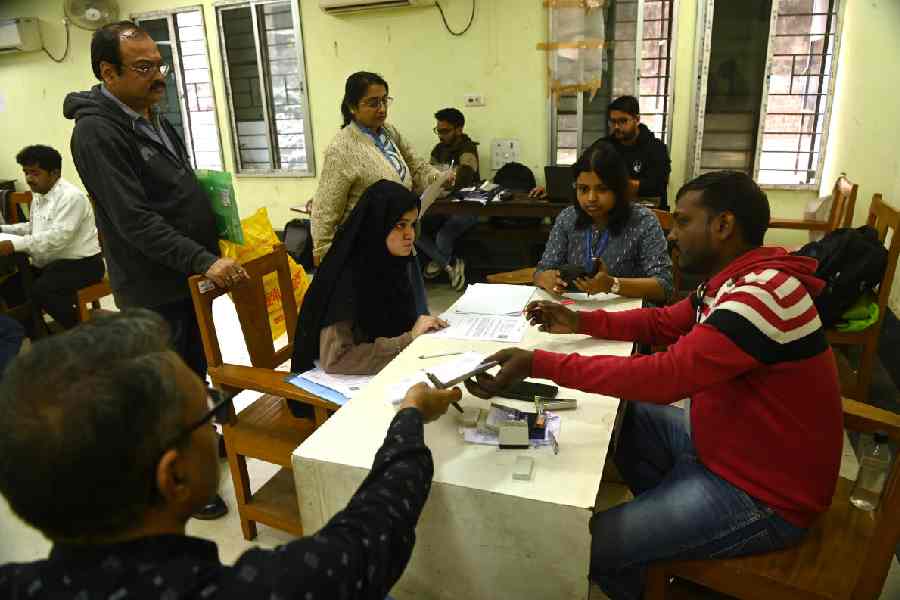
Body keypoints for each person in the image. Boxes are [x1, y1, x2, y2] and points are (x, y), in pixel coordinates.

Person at [466, 171, 843, 600]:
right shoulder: (734, 281)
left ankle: (656, 570)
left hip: (763, 495)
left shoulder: (762, 297)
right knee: (623, 419)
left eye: (683, 222)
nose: (673, 234)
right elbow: (664, 321)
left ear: (723, 225)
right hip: (723, 447)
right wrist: (582, 320)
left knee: (585, 544)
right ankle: (665, 544)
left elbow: (664, 377)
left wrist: (541, 362)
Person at [0, 310, 462, 599]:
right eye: (210, 410)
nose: (218, 419)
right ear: (175, 476)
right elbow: (375, 528)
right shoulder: (272, 588)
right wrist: (411, 414)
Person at [64, 21, 248, 519]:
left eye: (158, 64)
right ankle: (182, 482)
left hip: (184, 276)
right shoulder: (97, 132)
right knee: (166, 387)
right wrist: (204, 257)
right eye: (144, 67)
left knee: (192, 372)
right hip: (152, 285)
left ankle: (202, 449)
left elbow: (176, 188)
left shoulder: (151, 114)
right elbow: (134, 221)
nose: (158, 75)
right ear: (108, 71)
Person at [311, 71, 449, 315]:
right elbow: (325, 209)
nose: (382, 108)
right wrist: (324, 257)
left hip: (400, 242)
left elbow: (417, 167)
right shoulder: (342, 148)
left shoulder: (388, 134)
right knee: (382, 319)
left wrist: (439, 180)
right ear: (352, 107)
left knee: (410, 312)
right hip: (366, 252)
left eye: (385, 100)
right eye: (373, 102)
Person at [293, 180, 447, 375]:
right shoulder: (348, 276)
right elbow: (336, 359)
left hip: (382, 369)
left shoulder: (392, 263)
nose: (410, 234)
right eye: (400, 225)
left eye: (412, 224)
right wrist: (407, 340)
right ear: (377, 224)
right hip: (336, 390)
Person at [532, 143, 673, 305]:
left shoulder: (643, 221)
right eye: (583, 189)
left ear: (619, 189)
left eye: (602, 189)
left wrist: (612, 284)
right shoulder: (568, 217)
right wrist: (544, 278)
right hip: (574, 310)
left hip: (626, 314)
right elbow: (542, 270)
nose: (591, 198)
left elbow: (664, 286)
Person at [0, 145, 104, 330]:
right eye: (26, 173)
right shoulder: (40, 194)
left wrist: (15, 245)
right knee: (10, 289)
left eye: (35, 173)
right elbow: (33, 228)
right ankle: (40, 334)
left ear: (54, 173)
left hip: (83, 264)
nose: (29, 179)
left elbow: (58, 237)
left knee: (43, 290)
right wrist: (3, 229)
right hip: (52, 263)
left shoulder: (72, 197)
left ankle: (84, 333)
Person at [531, 95, 671, 209]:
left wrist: (618, 183)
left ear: (637, 119)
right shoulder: (604, 145)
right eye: (613, 122)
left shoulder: (656, 148)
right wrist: (554, 188)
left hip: (649, 213)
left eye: (623, 121)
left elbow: (657, 185)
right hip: (609, 211)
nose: (616, 127)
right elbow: (578, 170)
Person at [418, 107, 480, 290]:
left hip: (466, 207)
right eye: (438, 130)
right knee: (415, 229)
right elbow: (428, 176)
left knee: (444, 235)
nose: (440, 135)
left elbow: (464, 177)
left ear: (459, 129)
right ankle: (451, 264)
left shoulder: (468, 149)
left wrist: (447, 180)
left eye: (445, 131)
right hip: (442, 206)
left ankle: (443, 262)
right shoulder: (438, 149)